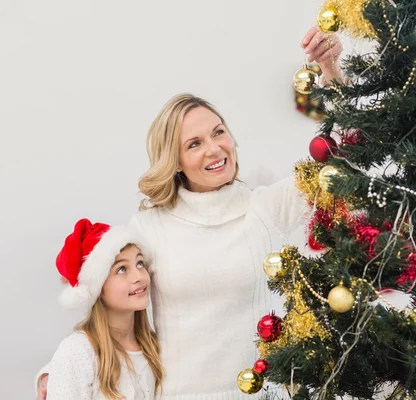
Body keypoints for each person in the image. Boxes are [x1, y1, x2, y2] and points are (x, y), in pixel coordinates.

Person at [37, 25, 344, 399]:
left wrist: (331, 69)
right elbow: (110, 306)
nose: (214, 149)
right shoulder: (150, 227)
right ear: (176, 161)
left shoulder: (265, 208)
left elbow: (339, 161)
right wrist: (58, 372)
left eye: (218, 133)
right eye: (194, 143)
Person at [43, 218, 164, 399]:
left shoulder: (152, 347)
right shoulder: (79, 351)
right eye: (121, 269)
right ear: (98, 288)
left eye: (140, 263)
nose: (138, 276)